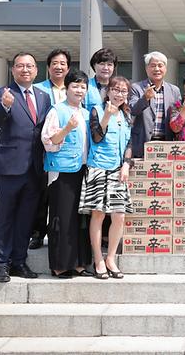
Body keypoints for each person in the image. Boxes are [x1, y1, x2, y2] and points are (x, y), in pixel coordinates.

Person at [0, 52, 51, 283]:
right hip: (9, 166)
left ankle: (19, 261)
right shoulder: (3, 93)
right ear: (13, 70)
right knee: (5, 216)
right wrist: (4, 107)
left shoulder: (43, 97)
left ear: (36, 71)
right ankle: (1, 263)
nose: (26, 70)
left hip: (35, 168)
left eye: (30, 66)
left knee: (26, 217)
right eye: (21, 66)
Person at [79, 75, 133, 280]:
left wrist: (126, 165)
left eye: (123, 91)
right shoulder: (97, 110)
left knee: (119, 215)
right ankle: (98, 259)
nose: (119, 94)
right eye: (116, 90)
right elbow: (96, 137)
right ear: (108, 91)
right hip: (98, 168)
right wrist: (107, 117)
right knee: (98, 214)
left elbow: (129, 144)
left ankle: (111, 257)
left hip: (119, 170)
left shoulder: (127, 115)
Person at [41, 69, 92, 278]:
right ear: (67, 88)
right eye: (75, 86)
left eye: (83, 87)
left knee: (81, 218)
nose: (79, 90)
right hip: (61, 171)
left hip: (83, 170)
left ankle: (80, 263)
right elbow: (48, 141)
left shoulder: (87, 113)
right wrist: (67, 128)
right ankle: (60, 265)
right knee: (62, 218)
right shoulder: (57, 110)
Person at [28, 48, 71, 251]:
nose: (59, 66)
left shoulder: (74, 89)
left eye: (63, 63)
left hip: (68, 151)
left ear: (68, 68)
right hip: (43, 149)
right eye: (55, 63)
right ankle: (37, 233)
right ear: (48, 67)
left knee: (61, 194)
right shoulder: (38, 89)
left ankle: (58, 232)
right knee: (41, 193)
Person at [129, 51, 182, 158]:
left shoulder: (174, 90)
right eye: (153, 66)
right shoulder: (136, 88)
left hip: (166, 142)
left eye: (160, 65)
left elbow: (177, 116)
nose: (157, 69)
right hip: (142, 142)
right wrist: (145, 98)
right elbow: (133, 110)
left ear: (165, 68)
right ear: (146, 68)